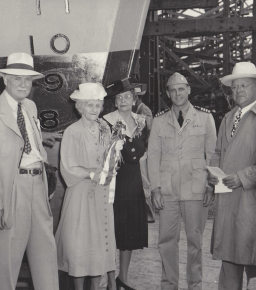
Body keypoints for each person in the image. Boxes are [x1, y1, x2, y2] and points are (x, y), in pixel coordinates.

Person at [0, 52, 59, 290]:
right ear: (5, 80)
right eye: (17, 79)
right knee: (8, 263)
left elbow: (30, 143)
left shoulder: (30, 106)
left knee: (46, 256)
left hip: (38, 188)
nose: (23, 84)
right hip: (11, 192)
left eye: (27, 80)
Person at [147, 72, 217, 290]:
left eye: (181, 89)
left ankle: (195, 285)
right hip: (167, 190)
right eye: (173, 90)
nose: (177, 94)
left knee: (195, 241)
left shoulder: (205, 118)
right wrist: (155, 189)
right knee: (166, 241)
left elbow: (212, 155)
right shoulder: (159, 121)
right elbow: (153, 156)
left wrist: (210, 186)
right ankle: (169, 285)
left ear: (188, 90)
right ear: (168, 94)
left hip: (196, 189)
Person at [55, 83, 123, 290]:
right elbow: (67, 166)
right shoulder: (71, 131)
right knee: (80, 243)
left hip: (101, 194)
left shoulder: (105, 128)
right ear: (80, 107)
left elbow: (110, 158)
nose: (94, 109)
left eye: (98, 105)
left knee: (98, 245)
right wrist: (90, 173)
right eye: (90, 105)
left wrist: (113, 161)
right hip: (80, 193)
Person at [207, 62, 256, 290]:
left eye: (244, 85)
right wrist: (213, 174)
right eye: (235, 87)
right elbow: (217, 153)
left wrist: (242, 178)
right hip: (227, 202)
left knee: (254, 263)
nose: (239, 91)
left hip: (250, 203)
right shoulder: (227, 118)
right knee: (229, 266)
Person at [103, 78, 149, 290]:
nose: (123, 100)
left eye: (127, 97)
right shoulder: (105, 122)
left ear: (134, 99)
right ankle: (112, 280)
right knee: (111, 231)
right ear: (114, 101)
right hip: (114, 182)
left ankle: (124, 277)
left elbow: (144, 151)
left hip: (133, 180)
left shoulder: (141, 121)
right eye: (119, 97)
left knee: (129, 231)